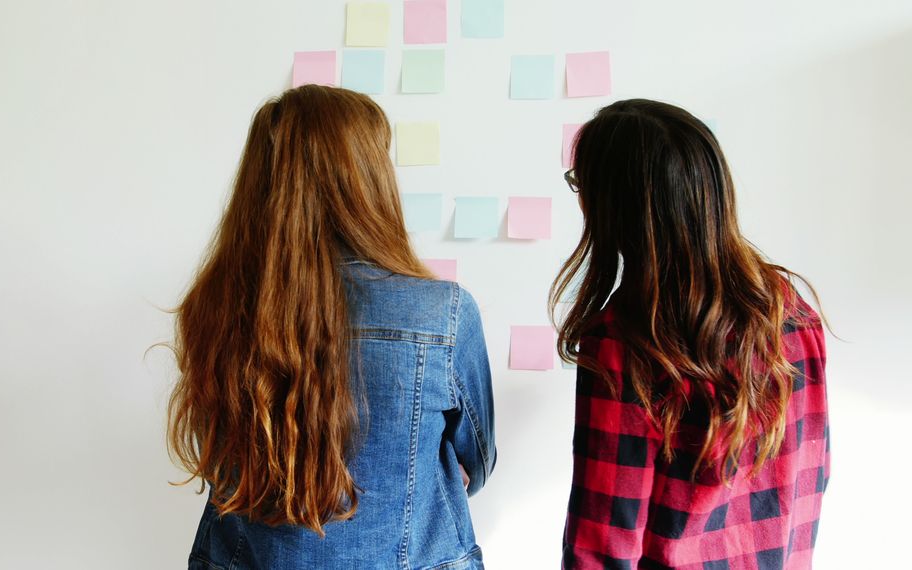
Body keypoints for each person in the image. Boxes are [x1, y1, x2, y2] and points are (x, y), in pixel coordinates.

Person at [168, 85, 496, 570]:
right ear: (367, 180)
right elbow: (477, 459)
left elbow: (217, 453)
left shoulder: (212, 309)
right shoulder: (443, 314)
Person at [554, 99, 829, 569]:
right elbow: (810, 475)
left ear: (613, 205)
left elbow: (603, 540)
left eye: (581, 184)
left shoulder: (624, 340)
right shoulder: (788, 310)